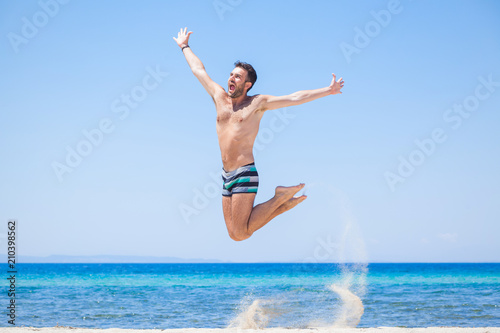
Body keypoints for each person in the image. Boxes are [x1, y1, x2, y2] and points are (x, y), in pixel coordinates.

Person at [173, 27, 344, 241]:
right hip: (226, 175)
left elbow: (294, 98)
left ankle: (279, 198)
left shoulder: (257, 103)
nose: (231, 79)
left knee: (241, 234)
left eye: (238, 77)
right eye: (231, 74)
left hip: (245, 172)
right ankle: (283, 203)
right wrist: (184, 46)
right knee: (234, 234)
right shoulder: (219, 98)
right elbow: (199, 70)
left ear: (247, 85)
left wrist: (328, 90)